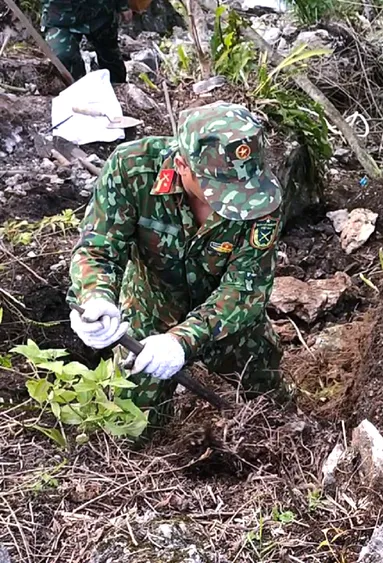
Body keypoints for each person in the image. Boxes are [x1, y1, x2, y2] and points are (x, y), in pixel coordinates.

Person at [67, 101, 290, 432]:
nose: (238, 200)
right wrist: (95, 297)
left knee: (276, 420)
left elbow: (245, 287)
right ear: (183, 165)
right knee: (131, 430)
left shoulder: (258, 196)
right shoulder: (132, 170)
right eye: (223, 189)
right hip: (150, 309)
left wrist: (182, 341)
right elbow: (98, 247)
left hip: (226, 320)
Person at [42, 0, 130, 83]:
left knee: (110, 57)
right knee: (62, 57)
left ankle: (119, 91)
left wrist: (123, 6)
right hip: (60, 17)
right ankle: (80, 91)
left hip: (100, 13)